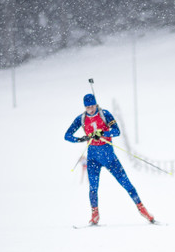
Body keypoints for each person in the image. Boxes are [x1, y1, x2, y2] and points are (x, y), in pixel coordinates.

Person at [64, 93, 155, 225]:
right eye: (87, 107)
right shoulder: (81, 118)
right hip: (93, 158)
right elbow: (67, 135)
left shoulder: (104, 114)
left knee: (126, 183)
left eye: (92, 105)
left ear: (96, 104)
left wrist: (102, 133)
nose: (90, 109)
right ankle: (94, 214)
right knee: (93, 188)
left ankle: (142, 209)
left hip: (109, 157)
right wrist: (80, 139)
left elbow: (116, 131)